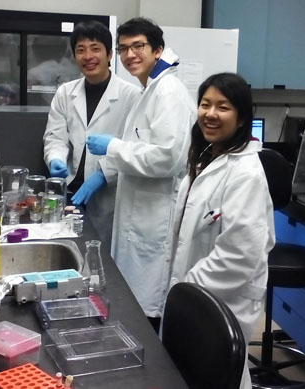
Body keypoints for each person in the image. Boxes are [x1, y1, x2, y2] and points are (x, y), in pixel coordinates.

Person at [86, 18, 196, 331]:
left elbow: (167, 158)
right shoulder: (150, 90)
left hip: (154, 219)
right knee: (135, 304)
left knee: (150, 308)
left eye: (138, 46)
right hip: (140, 214)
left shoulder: (168, 93)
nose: (129, 54)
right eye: (123, 48)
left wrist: (114, 147)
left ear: (158, 50)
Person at [168, 72, 275, 389]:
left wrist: (187, 288)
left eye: (223, 107)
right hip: (197, 294)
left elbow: (239, 256)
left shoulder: (245, 174)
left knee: (218, 376)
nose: (210, 114)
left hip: (224, 297)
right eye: (205, 104)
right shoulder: (207, 156)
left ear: (241, 119)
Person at [43, 20, 140, 249]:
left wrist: (103, 175)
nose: (88, 56)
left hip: (109, 194)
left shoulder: (132, 96)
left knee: (103, 260)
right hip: (70, 191)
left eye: (95, 48)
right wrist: (55, 158)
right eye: (80, 50)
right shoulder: (65, 93)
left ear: (109, 54)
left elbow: (133, 148)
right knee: (69, 251)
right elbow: (55, 136)